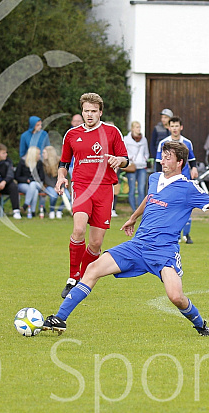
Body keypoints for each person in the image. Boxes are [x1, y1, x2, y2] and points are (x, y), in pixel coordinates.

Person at [42, 141, 209, 336]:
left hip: (163, 251)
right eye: (162, 156)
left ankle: (201, 326)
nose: (162, 160)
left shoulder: (189, 189)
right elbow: (149, 198)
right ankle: (60, 319)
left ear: (180, 163)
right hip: (137, 246)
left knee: (176, 297)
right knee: (92, 269)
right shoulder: (154, 178)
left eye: (168, 157)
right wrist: (133, 218)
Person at [56, 92, 129, 298]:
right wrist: (61, 177)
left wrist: (118, 161)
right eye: (86, 111)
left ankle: (83, 278)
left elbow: (125, 159)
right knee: (78, 229)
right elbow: (64, 163)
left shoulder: (112, 132)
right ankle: (72, 278)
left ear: (100, 112)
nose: (89, 115)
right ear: (82, 111)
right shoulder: (71, 135)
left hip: (104, 189)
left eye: (93, 111)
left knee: (96, 243)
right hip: (81, 187)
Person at [155, 116, 198, 243]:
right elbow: (159, 162)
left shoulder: (187, 142)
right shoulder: (163, 143)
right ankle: (175, 235)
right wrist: (160, 177)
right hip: (169, 180)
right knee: (172, 208)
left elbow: (192, 159)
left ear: (181, 127)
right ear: (168, 128)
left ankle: (187, 235)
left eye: (176, 126)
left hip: (184, 179)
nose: (174, 129)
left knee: (187, 206)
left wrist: (194, 168)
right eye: (172, 126)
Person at [123, 121, 149, 212]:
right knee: (132, 188)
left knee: (141, 189)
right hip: (131, 166)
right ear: (132, 128)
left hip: (141, 166)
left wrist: (144, 158)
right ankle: (134, 210)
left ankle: (141, 210)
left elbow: (146, 152)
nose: (139, 129)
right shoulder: (126, 139)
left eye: (139, 127)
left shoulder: (143, 139)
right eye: (137, 127)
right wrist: (129, 159)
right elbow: (123, 152)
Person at [15, 146, 45, 218]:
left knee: (33, 184)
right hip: (24, 184)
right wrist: (26, 180)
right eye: (38, 154)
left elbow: (42, 177)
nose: (39, 156)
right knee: (34, 191)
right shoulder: (22, 162)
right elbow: (17, 176)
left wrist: (32, 180)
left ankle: (25, 205)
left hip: (37, 183)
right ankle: (32, 212)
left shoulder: (39, 163)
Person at [43, 145, 71, 219]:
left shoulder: (59, 163)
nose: (43, 155)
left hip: (60, 184)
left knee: (67, 197)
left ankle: (59, 211)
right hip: (49, 185)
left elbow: (64, 175)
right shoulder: (43, 164)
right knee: (53, 196)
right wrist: (55, 187)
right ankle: (52, 211)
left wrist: (62, 187)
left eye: (44, 153)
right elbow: (45, 179)